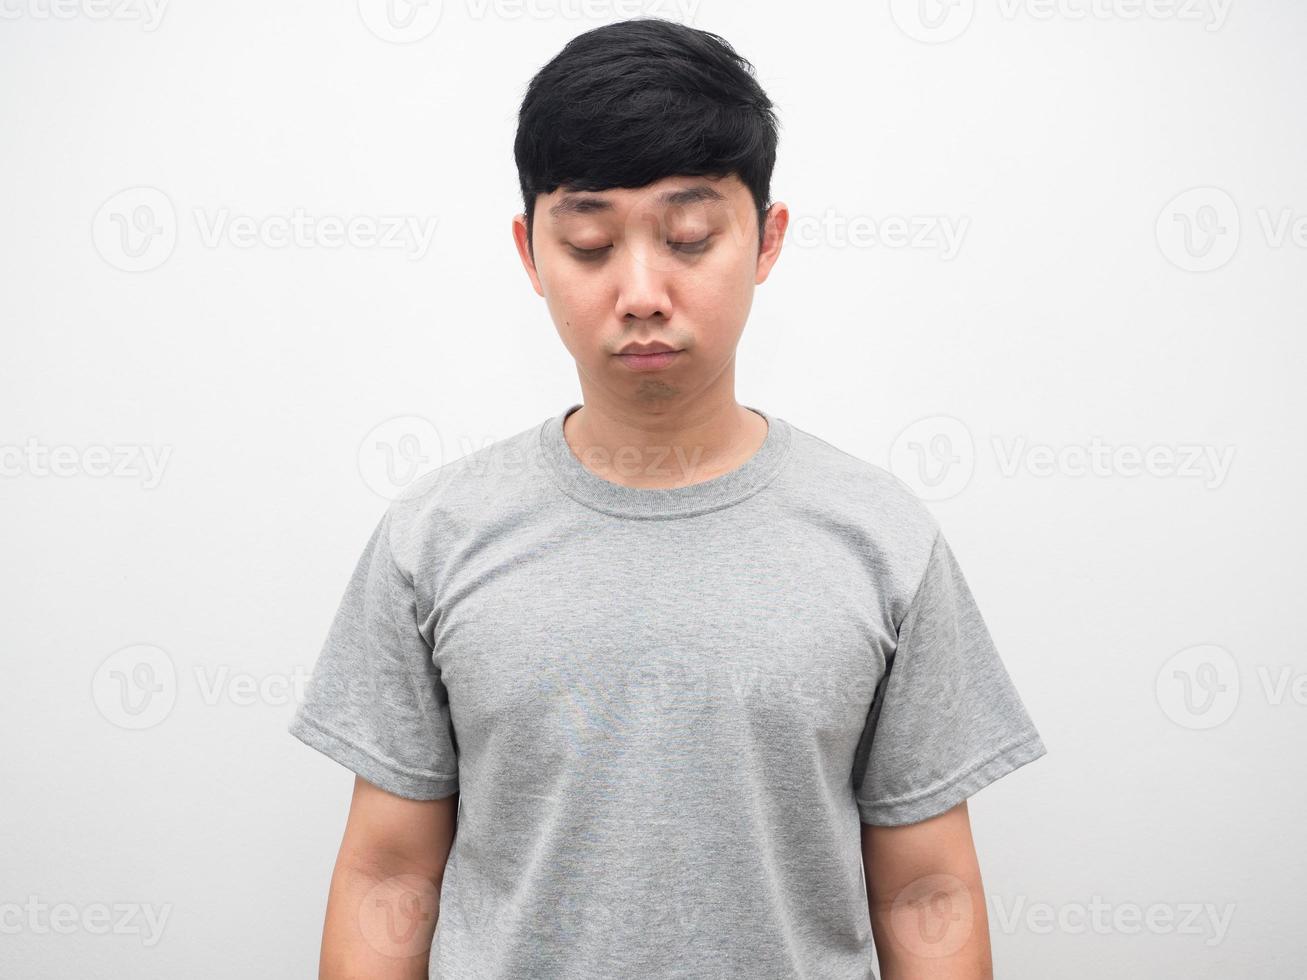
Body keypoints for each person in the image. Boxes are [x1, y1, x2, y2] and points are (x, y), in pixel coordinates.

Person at [288, 17, 1047, 979]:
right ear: (530, 253)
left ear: (766, 239)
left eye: (688, 238)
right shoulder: (433, 539)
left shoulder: (880, 538)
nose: (641, 290)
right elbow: (388, 876)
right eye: (592, 244)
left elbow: (925, 888)